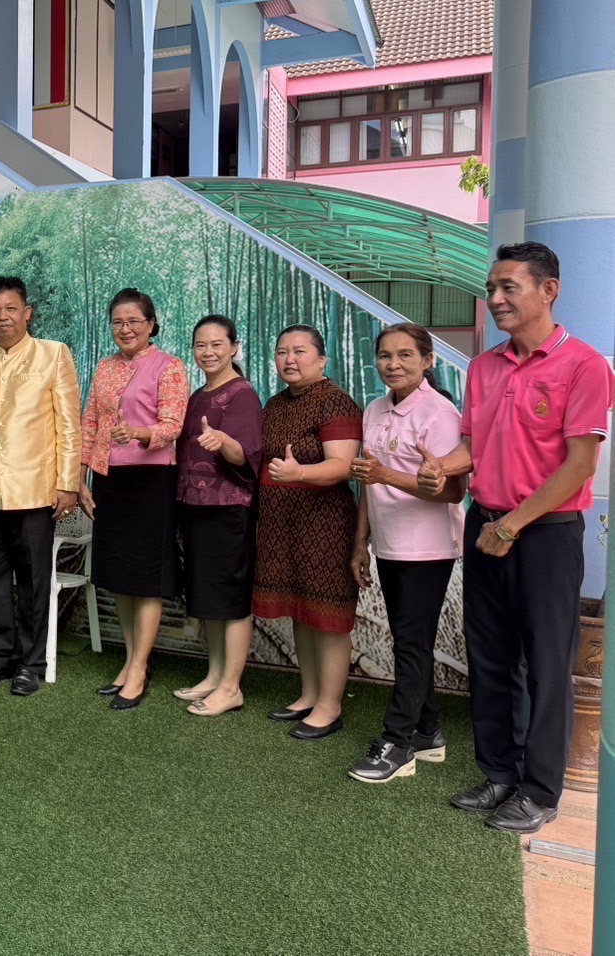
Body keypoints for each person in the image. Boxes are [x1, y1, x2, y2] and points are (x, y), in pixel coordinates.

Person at [420, 242, 613, 833]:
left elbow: (580, 466)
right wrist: (442, 468)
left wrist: (512, 525)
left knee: (547, 664)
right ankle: (499, 773)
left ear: (548, 290)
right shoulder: (484, 367)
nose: (496, 299)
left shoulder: (584, 365)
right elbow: (473, 446)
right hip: (487, 525)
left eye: (509, 287)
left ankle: (541, 791)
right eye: (491, 289)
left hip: (544, 535)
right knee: (490, 657)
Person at [0, 276, 81, 696]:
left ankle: (31, 664)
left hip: (35, 490)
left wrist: (68, 483)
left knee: (33, 581)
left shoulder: (53, 354)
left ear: (27, 313)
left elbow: (69, 425)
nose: (2, 317)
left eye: (11, 309)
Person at [346, 324, 466, 783]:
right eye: (384, 355)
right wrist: (361, 543)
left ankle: (397, 744)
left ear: (428, 361)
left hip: (427, 547)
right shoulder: (375, 409)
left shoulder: (440, 413)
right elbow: (367, 481)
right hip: (388, 543)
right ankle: (428, 731)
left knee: (411, 643)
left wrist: (386, 475)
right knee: (408, 641)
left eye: (405, 355)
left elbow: (452, 491)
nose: (392, 364)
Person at [252, 324, 363, 741]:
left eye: (299, 351)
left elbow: (342, 466)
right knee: (301, 608)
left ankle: (330, 707)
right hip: (282, 525)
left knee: (328, 615)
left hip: (325, 524)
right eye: (282, 351)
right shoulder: (275, 403)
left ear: (322, 358)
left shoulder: (336, 401)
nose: (289, 359)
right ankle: (310, 694)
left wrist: (299, 473)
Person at [79, 289, 188, 712]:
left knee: (145, 577)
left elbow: (173, 424)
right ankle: (129, 660)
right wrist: (80, 477)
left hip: (151, 480)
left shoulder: (170, 367)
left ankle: (140, 667)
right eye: (118, 322)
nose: (125, 329)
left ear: (151, 325)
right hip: (110, 480)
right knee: (120, 574)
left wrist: (139, 433)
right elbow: (90, 422)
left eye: (134, 322)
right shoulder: (104, 367)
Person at [174, 315, 263, 718]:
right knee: (208, 595)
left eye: (216, 344)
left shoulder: (242, 394)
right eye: (200, 345)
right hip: (195, 508)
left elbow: (245, 455)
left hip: (228, 509)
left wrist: (224, 440)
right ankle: (213, 676)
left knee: (232, 598)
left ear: (234, 348)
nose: (207, 352)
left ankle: (231, 687)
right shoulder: (198, 395)